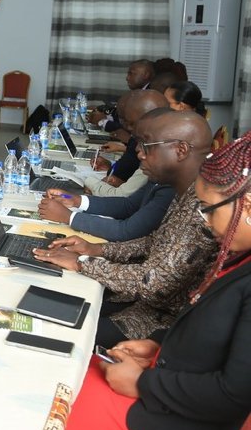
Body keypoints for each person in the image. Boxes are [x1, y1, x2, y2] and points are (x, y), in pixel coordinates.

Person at [64, 131, 251, 430]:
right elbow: (212, 336)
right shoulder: (238, 257)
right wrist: (159, 346)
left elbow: (234, 395)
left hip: (172, 417)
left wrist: (143, 383)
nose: (205, 220)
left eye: (210, 209)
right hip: (166, 380)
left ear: (248, 207)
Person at [33, 109, 218, 348]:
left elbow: (154, 282)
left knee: (52, 328)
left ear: (181, 150)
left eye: (146, 145)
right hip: (144, 303)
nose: (138, 152)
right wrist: (96, 249)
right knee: (50, 299)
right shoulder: (186, 189)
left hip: (161, 323)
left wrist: (82, 263)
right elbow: (154, 241)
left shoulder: (204, 206)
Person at [38, 111, 177, 241]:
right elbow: (127, 205)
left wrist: (69, 217)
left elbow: (126, 230)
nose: (137, 150)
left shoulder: (171, 189)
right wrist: (75, 200)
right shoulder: (160, 177)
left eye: (145, 144)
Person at [83, 90, 169, 197]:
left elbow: (123, 197)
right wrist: (110, 167)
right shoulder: (148, 144)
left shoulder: (157, 153)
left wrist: (89, 182)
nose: (127, 127)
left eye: (132, 123)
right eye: (123, 120)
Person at [90, 59, 155, 134]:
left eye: (131, 73)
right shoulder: (139, 92)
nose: (127, 78)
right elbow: (124, 121)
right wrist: (105, 117)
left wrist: (103, 122)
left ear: (146, 75)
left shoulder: (149, 97)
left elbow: (131, 129)